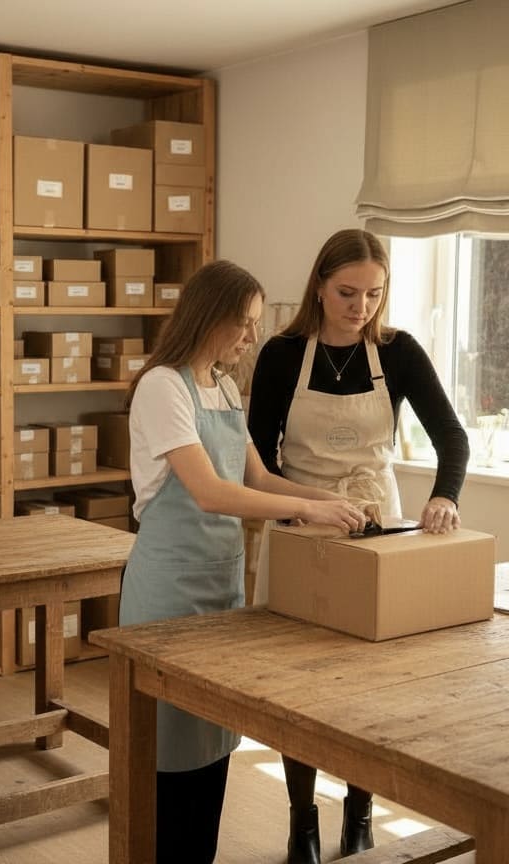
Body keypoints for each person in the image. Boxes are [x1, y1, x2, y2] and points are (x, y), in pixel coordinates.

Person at [120, 260, 368, 864]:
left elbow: (255, 475)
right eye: (246, 324)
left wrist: (325, 499)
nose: (252, 337)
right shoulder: (162, 386)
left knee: (211, 748)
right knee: (170, 755)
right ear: (212, 317)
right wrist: (304, 515)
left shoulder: (224, 386)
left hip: (221, 582)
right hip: (170, 591)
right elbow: (210, 491)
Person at [248, 229, 469, 863]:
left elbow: (453, 438)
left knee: (366, 685)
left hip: (377, 527)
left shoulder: (398, 353)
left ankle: (361, 814)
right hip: (297, 524)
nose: (360, 307)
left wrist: (445, 497)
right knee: (295, 686)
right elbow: (258, 458)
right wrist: (307, 504)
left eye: (374, 294)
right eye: (347, 293)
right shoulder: (282, 354)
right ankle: (301, 823)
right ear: (318, 285)